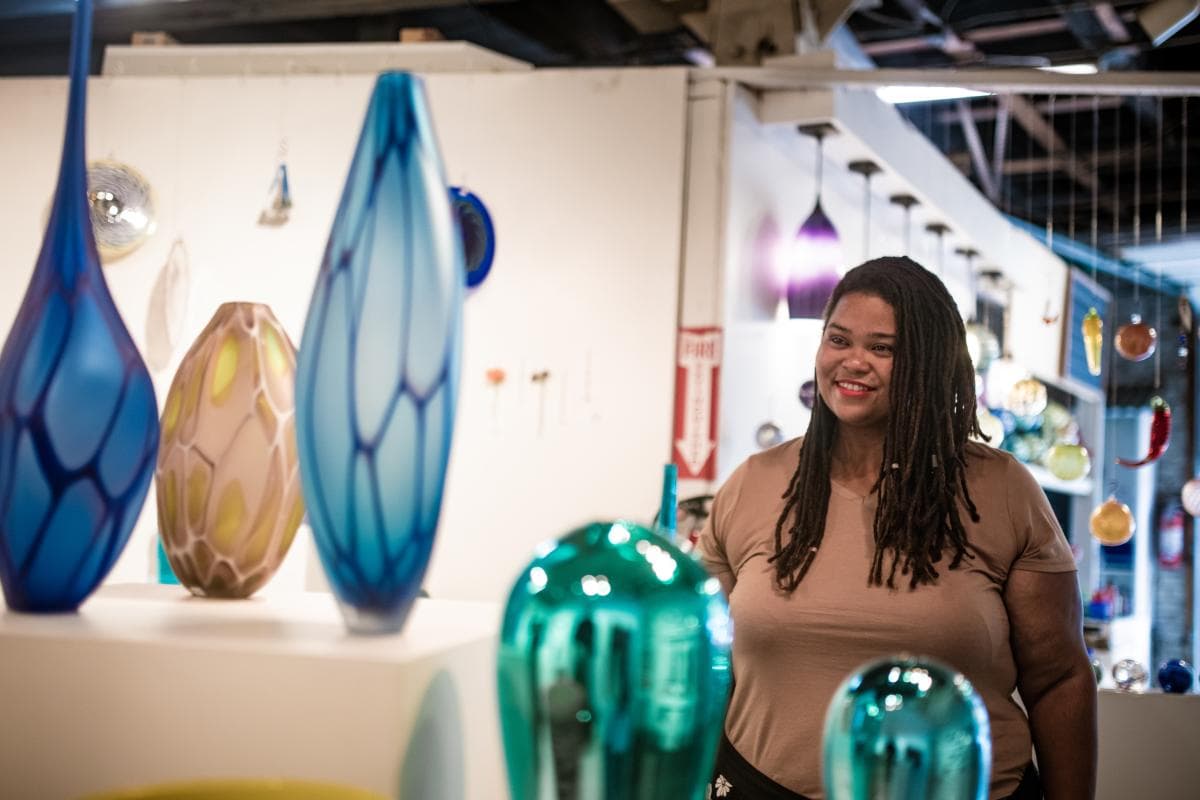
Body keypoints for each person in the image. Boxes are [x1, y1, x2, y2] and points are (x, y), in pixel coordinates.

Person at [698, 256, 1097, 800]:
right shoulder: (754, 484)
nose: (853, 362)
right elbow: (703, 665)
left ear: (928, 364)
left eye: (882, 348)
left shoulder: (1002, 490)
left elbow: (1059, 680)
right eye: (838, 339)